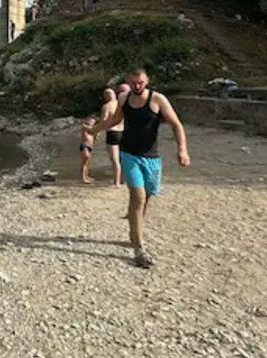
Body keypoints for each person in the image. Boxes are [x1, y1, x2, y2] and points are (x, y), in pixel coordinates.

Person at [87, 67, 190, 268]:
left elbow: (176, 125)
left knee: (147, 196)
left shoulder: (157, 100)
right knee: (138, 196)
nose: (137, 86)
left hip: (152, 157)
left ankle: (135, 230)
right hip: (129, 154)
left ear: (147, 81)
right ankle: (139, 248)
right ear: (128, 81)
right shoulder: (124, 99)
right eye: (133, 82)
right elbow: (115, 120)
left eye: (140, 82)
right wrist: (95, 129)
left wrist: (182, 150)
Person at [100, 89, 123, 187]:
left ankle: (116, 182)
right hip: (122, 132)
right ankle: (122, 179)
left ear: (106, 96)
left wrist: (95, 130)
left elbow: (103, 121)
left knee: (114, 159)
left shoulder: (107, 106)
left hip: (112, 132)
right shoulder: (121, 105)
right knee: (122, 158)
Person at [79, 117, 97, 184]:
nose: (92, 123)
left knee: (87, 163)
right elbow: (87, 127)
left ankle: (86, 176)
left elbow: (95, 138)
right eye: (91, 122)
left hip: (90, 148)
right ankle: (83, 178)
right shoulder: (84, 127)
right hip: (85, 146)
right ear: (87, 121)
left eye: (93, 122)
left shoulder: (92, 131)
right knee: (84, 162)